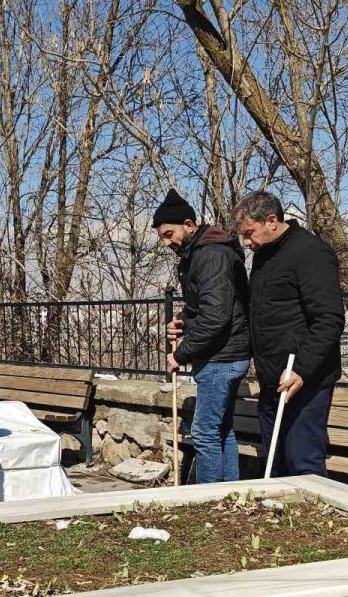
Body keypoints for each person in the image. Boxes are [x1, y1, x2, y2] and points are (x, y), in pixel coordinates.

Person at [232, 191, 344, 477]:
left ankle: (312, 521)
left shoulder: (310, 252)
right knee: (275, 460)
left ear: (271, 221)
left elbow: (328, 318)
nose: (245, 242)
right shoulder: (265, 255)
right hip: (273, 380)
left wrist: (302, 370)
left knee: (302, 462)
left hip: (304, 381)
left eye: (249, 233)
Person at [154, 189, 251, 483]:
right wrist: (184, 320)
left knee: (205, 432)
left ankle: (205, 499)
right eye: (161, 237)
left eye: (169, 234)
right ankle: (228, 494)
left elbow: (216, 316)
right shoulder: (201, 252)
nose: (165, 242)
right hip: (227, 353)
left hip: (222, 356)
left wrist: (180, 354)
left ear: (189, 224)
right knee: (222, 429)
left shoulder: (210, 254)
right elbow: (211, 306)